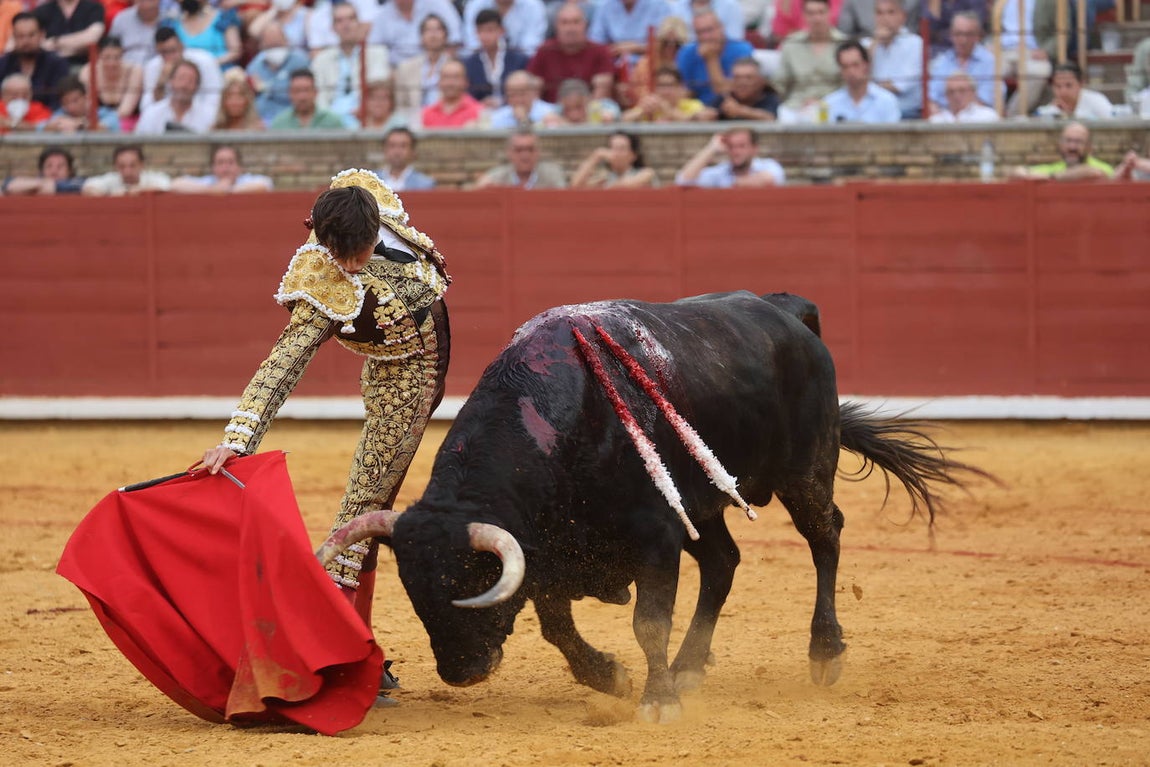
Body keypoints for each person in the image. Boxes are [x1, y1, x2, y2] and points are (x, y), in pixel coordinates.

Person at [200, 171, 451, 699]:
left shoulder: (368, 200)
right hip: (401, 386)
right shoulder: (321, 282)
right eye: (341, 255)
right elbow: (282, 364)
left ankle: (352, 651)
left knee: (368, 513)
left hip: (421, 364)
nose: (351, 266)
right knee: (360, 516)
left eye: (359, 253)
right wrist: (238, 438)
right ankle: (344, 658)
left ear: (375, 230)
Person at [311, 2, 391, 125]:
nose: (346, 25)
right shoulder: (321, 60)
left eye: (351, 19)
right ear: (332, 28)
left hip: (366, 120)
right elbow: (318, 98)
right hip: (330, 123)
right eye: (339, 21)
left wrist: (363, 110)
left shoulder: (378, 54)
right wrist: (329, 118)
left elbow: (378, 91)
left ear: (359, 24)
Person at [526, 3, 615, 103]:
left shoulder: (600, 51)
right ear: (556, 26)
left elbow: (602, 92)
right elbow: (532, 90)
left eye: (576, 22)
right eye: (564, 23)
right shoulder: (544, 50)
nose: (570, 28)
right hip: (551, 109)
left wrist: (584, 111)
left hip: (590, 108)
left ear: (585, 25)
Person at [775, 0, 846, 117]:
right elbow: (781, 83)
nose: (816, 18)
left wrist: (824, 102)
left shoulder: (844, 44)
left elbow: (847, 84)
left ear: (830, 13)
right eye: (811, 13)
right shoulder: (791, 45)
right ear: (804, 16)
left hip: (834, 106)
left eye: (821, 12)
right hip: (796, 107)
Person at [675, 8, 754, 105]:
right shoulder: (687, 53)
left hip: (731, 107)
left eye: (709, 30)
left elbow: (726, 91)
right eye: (700, 32)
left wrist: (711, 59)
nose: (706, 37)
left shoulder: (741, 50)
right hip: (695, 108)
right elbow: (680, 90)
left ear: (722, 28)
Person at [926, 12, 999, 116]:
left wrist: (961, 117)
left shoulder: (990, 62)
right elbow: (931, 99)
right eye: (958, 34)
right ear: (951, 35)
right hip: (945, 118)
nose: (963, 40)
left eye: (969, 34)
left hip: (978, 118)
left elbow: (987, 100)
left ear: (978, 36)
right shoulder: (942, 62)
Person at [142, 26, 222, 114]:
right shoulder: (152, 66)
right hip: (165, 117)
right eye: (164, 52)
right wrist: (161, 82)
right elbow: (146, 107)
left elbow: (215, 97)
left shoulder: (205, 60)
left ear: (182, 46)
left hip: (201, 114)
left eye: (173, 50)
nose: (170, 56)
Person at [0, 13, 71, 110]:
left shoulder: (56, 64)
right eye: (20, 36)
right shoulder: (3, 63)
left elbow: (61, 101)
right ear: (14, 37)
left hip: (48, 116)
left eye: (31, 35)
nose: (26, 41)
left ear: (42, 34)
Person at [864, 0, 922, 119]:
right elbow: (858, 75)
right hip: (872, 113)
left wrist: (867, 87)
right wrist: (876, 42)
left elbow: (897, 87)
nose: (885, 18)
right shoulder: (867, 44)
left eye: (891, 12)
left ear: (903, 16)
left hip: (906, 113)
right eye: (879, 13)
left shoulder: (915, 43)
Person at [246, 21, 311, 125]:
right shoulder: (255, 66)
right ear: (262, 45)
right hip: (259, 121)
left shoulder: (300, 61)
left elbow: (301, 93)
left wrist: (265, 88)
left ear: (286, 41)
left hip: (291, 121)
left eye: (277, 45)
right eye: (270, 46)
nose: (275, 50)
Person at [463, 8, 530, 106]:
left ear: (501, 31)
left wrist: (503, 102)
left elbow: (524, 92)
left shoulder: (519, 60)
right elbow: (468, 95)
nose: (485, 36)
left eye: (490, 30)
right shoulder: (469, 63)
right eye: (480, 31)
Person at [675, 127, 785, 187]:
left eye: (741, 146)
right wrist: (712, 148)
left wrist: (731, 184)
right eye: (731, 147)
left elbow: (769, 180)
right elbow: (683, 180)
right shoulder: (720, 172)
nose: (736, 152)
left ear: (754, 149)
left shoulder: (769, 165)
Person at [823, 39, 900, 123]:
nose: (851, 71)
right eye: (845, 67)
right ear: (840, 70)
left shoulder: (887, 101)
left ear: (866, 65)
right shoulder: (829, 103)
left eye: (855, 65)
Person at [368, 0, 463, 67]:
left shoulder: (437, 4)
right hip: (396, 70)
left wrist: (438, 64)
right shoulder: (382, 14)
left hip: (435, 64)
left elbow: (455, 41)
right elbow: (374, 47)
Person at [1008, 121, 1113, 181]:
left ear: (1089, 147)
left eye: (1078, 142)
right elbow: (1015, 172)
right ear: (1060, 145)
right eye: (1068, 141)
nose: (1072, 147)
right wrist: (1024, 173)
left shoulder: (1103, 168)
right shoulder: (1054, 168)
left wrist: (1052, 177)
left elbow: (1093, 172)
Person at [79, 36, 144, 131]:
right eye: (107, 58)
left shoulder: (134, 71)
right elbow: (87, 106)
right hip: (97, 121)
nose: (112, 63)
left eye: (117, 57)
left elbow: (126, 110)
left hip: (127, 123)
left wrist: (106, 124)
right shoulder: (88, 71)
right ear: (99, 56)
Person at [394, 13, 450, 121]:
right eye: (428, 30)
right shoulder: (406, 68)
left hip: (446, 121)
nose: (433, 35)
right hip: (414, 122)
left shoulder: (456, 66)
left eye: (437, 29)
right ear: (421, 37)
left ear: (445, 36)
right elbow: (400, 105)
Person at [135, 58, 215, 133]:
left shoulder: (209, 115)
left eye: (190, 81)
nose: (184, 85)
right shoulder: (151, 113)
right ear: (171, 81)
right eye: (181, 79)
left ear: (197, 86)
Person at [624, 15, 689, 106]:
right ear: (659, 42)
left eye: (677, 44)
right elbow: (637, 90)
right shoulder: (645, 64)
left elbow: (690, 91)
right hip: (649, 107)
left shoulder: (688, 63)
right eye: (666, 43)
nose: (671, 48)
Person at [474, 128, 567, 188]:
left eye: (530, 149)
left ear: (538, 152)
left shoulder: (552, 175)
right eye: (519, 150)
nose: (525, 155)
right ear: (509, 153)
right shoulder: (497, 177)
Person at [161, 0, 241, 70]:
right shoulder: (172, 24)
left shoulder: (223, 17)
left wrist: (209, 64)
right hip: (185, 75)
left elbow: (235, 51)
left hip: (220, 72)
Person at [588, 0, 677, 59]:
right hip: (614, 63)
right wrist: (616, 49)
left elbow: (667, 45)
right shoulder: (605, 6)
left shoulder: (659, 5)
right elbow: (595, 43)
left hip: (651, 63)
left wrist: (637, 48)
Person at [621, 64, 712, 122]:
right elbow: (623, 120)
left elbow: (704, 118)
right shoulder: (652, 105)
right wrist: (641, 112)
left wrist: (669, 112)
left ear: (680, 87)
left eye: (670, 85)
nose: (665, 91)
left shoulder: (692, 105)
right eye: (661, 85)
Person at [570, 131, 658, 188]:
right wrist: (595, 157)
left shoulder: (646, 173)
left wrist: (605, 187)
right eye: (613, 148)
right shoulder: (605, 179)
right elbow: (575, 186)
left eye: (621, 149)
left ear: (633, 155)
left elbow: (623, 186)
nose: (616, 153)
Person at [171, 144, 273, 193]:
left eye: (230, 162)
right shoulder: (208, 181)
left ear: (239, 167)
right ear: (213, 168)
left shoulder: (245, 180)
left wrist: (228, 190)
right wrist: (212, 190)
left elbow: (266, 184)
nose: (226, 167)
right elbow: (175, 184)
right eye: (220, 162)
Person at [461, 0, 547, 58]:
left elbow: (530, 48)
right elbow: (472, 44)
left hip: (521, 64)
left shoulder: (533, 6)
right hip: (481, 61)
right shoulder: (475, 5)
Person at [34, 0, 107, 68]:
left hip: (83, 66)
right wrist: (79, 46)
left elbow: (92, 37)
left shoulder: (94, 8)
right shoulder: (42, 11)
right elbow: (39, 43)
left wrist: (56, 41)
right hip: (50, 68)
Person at [270, 68, 348, 129]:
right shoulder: (280, 123)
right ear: (290, 93)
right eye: (297, 91)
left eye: (306, 90)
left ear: (316, 92)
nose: (302, 97)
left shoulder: (333, 121)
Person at [82, 144, 172, 195]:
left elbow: (167, 186)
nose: (127, 172)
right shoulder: (112, 179)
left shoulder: (150, 178)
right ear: (115, 167)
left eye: (132, 166)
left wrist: (140, 190)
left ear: (142, 165)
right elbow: (88, 187)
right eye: (122, 166)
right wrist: (109, 196)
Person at [420, 58, 485, 128]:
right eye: (446, 77)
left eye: (456, 77)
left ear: (466, 81)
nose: (450, 83)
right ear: (439, 82)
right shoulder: (426, 114)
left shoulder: (479, 112)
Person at [1035, 63, 1114, 120]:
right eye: (1058, 86)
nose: (1063, 91)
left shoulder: (1097, 101)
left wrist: (1071, 115)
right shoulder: (1051, 110)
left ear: (1081, 84)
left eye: (1068, 85)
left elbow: (1112, 122)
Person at [43, 75, 122, 132]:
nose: (71, 107)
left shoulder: (105, 114)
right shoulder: (60, 114)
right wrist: (54, 126)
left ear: (86, 97)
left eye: (75, 100)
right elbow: (42, 127)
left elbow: (107, 126)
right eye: (66, 102)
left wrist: (79, 125)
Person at [711, 55, 778, 121]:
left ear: (761, 81)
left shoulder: (770, 98)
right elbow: (710, 112)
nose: (742, 83)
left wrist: (740, 111)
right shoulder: (726, 97)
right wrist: (710, 115)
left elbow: (770, 117)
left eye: (749, 78)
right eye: (737, 77)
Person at [1, 145, 85, 195]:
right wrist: (41, 184)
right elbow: (7, 185)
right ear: (41, 171)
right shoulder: (34, 184)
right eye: (49, 166)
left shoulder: (79, 183)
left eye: (60, 166)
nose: (54, 171)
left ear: (70, 171)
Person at [488, 70, 556, 128]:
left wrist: (524, 120)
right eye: (512, 95)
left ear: (533, 93)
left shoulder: (551, 113)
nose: (517, 99)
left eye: (522, 94)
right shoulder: (497, 118)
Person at [376, 126, 437, 190]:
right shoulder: (372, 181)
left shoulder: (425, 184)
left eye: (403, 146)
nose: (397, 151)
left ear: (412, 151)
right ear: (384, 149)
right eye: (392, 146)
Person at [928, 72, 999, 123]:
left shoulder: (987, 116)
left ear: (973, 93)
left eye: (962, 91)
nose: (956, 96)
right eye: (951, 92)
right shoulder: (936, 120)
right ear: (946, 95)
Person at [110, 0, 162, 66]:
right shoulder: (121, 19)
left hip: (160, 68)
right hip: (127, 67)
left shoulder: (169, 19)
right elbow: (111, 48)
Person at [772, 0, 841, 43]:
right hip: (793, 48)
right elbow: (780, 33)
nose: (816, 18)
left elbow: (829, 25)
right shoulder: (785, 2)